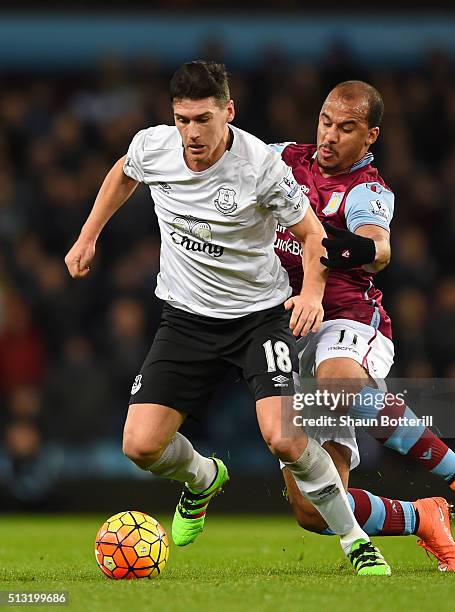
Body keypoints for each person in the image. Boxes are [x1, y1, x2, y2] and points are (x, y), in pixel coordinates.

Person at [65, 62, 392, 576]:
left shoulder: (261, 165)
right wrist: (88, 236)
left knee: (284, 436)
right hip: (186, 320)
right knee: (140, 446)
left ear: (228, 113)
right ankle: (203, 477)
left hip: (258, 320)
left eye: (202, 119)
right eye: (182, 119)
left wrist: (310, 293)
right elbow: (123, 173)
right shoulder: (155, 146)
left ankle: (354, 541)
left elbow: (312, 235)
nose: (191, 133)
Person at [273, 80, 455, 570]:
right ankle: (422, 518)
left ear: (370, 136)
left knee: (338, 380)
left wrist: (353, 248)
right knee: (313, 510)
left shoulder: (368, 190)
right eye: (325, 122)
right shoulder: (281, 159)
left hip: (346, 322)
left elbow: (377, 246)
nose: (329, 136)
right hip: (282, 332)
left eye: (346, 129)